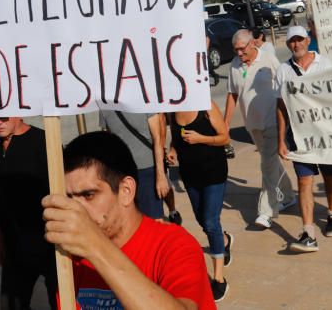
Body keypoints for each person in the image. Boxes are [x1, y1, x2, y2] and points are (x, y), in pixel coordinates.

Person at [42, 131, 216, 309]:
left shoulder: (173, 245)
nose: (76, 209)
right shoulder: (72, 258)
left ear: (126, 190)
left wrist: (96, 247)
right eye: (69, 197)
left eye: (88, 195)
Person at [275, 25, 332, 252]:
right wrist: (281, 138)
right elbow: (281, 105)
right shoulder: (283, 70)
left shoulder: (325, 64)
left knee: (329, 175)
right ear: (288, 44)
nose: (297, 44)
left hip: (325, 132)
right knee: (304, 181)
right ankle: (308, 232)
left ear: (308, 40)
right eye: (292, 41)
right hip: (298, 135)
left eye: (300, 39)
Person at [223, 29, 295, 230]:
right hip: (252, 124)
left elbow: (284, 85)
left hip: (272, 120)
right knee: (271, 163)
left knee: (267, 164)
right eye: (235, 50)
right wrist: (225, 123)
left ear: (252, 44)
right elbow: (232, 94)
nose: (238, 53)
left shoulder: (269, 59)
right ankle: (288, 196)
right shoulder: (234, 65)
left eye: (241, 49)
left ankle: (266, 212)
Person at [0, 116, 57, 309]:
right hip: (14, 245)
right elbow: (0, 199)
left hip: (47, 240)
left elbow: (62, 192)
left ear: (19, 112)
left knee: (60, 301)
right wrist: (1, 240)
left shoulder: (43, 141)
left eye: (2, 116)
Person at [167, 101, 232, 300]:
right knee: (202, 219)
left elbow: (224, 138)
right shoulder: (172, 110)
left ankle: (219, 279)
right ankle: (225, 240)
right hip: (190, 174)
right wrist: (172, 151)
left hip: (213, 171)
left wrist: (201, 139)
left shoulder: (206, 105)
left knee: (211, 222)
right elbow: (177, 139)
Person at [100, 109, 167, 221]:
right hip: (122, 173)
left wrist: (161, 176)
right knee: (130, 220)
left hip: (147, 171)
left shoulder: (145, 101)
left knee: (154, 220)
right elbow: (110, 142)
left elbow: (158, 139)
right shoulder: (104, 105)